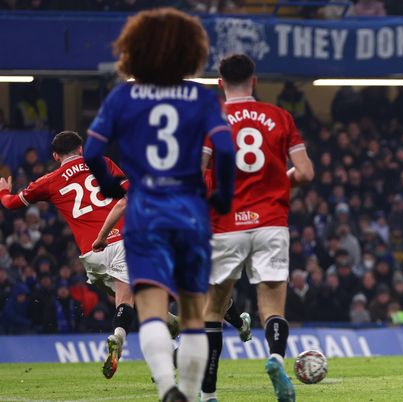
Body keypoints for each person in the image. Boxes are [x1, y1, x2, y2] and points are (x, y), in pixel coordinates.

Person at [83, 8, 235, 402]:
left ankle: (168, 388)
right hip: (189, 213)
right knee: (191, 313)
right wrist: (222, 195)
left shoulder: (123, 97)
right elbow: (223, 147)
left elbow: (92, 150)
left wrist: (111, 186)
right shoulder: (200, 98)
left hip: (145, 213)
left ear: (133, 51)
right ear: (191, 52)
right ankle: (188, 390)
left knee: (150, 307)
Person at [200, 54, 314, 402]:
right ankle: (276, 359)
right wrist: (279, 182)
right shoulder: (280, 117)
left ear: (220, 83)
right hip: (271, 222)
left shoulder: (212, 119)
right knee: (272, 307)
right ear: (254, 81)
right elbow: (305, 172)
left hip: (226, 223)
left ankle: (208, 394)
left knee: (215, 309)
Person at [0, 131, 143, 379]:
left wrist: (3, 191)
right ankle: (119, 336)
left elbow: (11, 204)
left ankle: (169, 324)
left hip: (91, 255)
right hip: (120, 240)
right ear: (81, 148)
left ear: (55, 156)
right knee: (127, 300)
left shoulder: (48, 180)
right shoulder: (103, 162)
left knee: (131, 296)